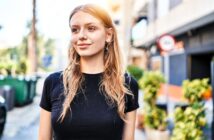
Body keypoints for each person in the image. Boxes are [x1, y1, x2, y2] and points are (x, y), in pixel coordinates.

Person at [38, 4, 139, 140]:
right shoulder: (53, 82)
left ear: (108, 35)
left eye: (91, 28)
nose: (81, 36)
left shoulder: (126, 84)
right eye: (75, 30)